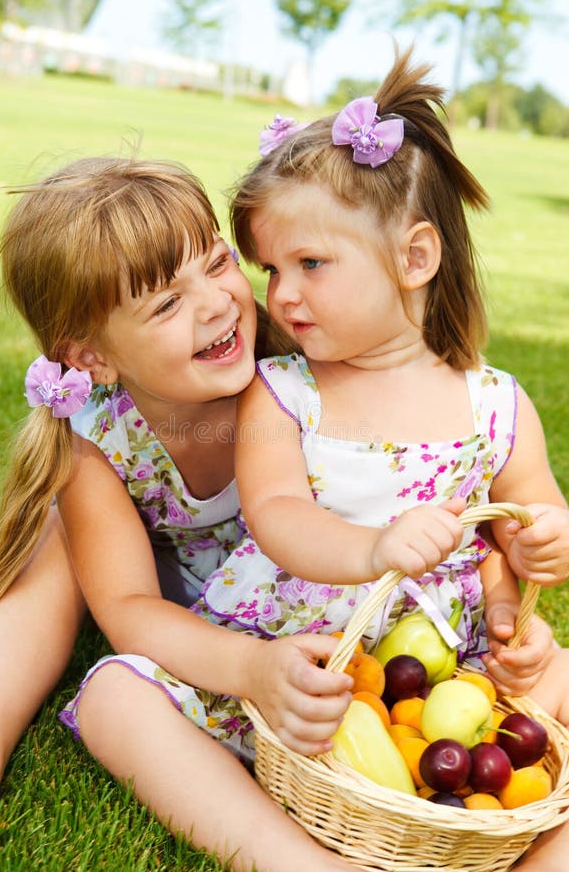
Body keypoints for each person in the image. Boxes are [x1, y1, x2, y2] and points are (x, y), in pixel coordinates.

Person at [0, 150, 561, 867]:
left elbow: (465, 512)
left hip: (336, 602)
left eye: (219, 265)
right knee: (70, 592)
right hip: (194, 600)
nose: (219, 302)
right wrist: (249, 669)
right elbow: (127, 609)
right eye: (166, 303)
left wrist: (509, 594)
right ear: (93, 359)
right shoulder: (99, 441)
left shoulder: (311, 365)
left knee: (544, 669)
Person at [192, 48, 569, 869]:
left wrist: (538, 558)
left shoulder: (494, 401)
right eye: (272, 269)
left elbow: (529, 517)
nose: (281, 296)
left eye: (311, 265)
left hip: (450, 658)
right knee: (126, 699)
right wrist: (371, 549)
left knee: (556, 683)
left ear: (415, 258)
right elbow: (278, 514)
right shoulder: (285, 391)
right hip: (313, 653)